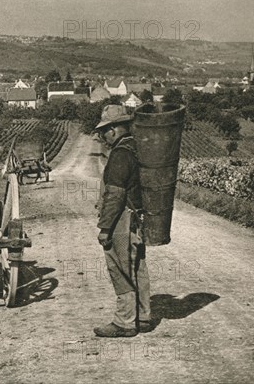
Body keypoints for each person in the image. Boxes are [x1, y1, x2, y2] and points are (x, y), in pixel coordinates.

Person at [93, 105, 152, 337]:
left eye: (105, 130)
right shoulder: (136, 149)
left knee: (120, 267)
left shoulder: (120, 154)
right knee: (138, 266)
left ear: (115, 129)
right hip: (137, 218)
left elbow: (115, 195)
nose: (102, 136)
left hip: (122, 220)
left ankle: (125, 322)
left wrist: (105, 228)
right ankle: (143, 317)